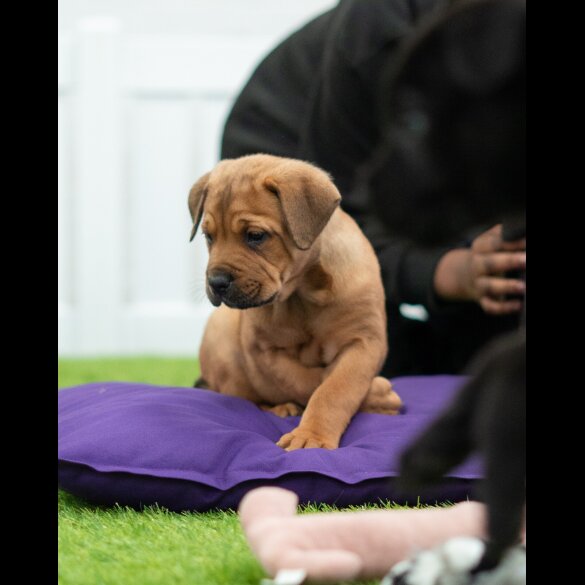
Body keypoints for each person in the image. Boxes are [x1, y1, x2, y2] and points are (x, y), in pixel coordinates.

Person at [220, 0, 525, 378]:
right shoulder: (379, 35)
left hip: (418, 141)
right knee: (340, 362)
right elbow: (342, 216)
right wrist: (445, 271)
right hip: (293, 165)